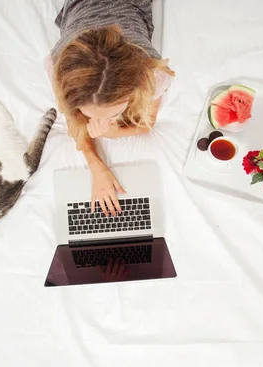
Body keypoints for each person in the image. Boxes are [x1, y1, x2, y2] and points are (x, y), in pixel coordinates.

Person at [45, 0, 175, 217]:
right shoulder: (58, 68)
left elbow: (147, 123)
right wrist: (96, 166)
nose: (104, 121)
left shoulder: (153, 75)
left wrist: (113, 132)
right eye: (90, 115)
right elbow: (70, 117)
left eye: (114, 113)